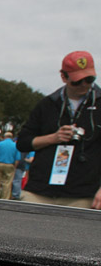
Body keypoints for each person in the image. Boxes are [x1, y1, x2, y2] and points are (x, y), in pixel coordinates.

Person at [17, 51, 101, 209]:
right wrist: (53, 138)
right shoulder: (47, 104)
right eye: (77, 81)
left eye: (89, 79)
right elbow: (23, 142)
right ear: (64, 77)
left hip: (83, 196)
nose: (84, 85)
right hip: (39, 192)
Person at [0, 131, 18, 199]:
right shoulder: (15, 146)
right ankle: (5, 198)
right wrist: (15, 167)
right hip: (10, 165)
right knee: (7, 183)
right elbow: (17, 159)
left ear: (4, 137)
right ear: (12, 137)